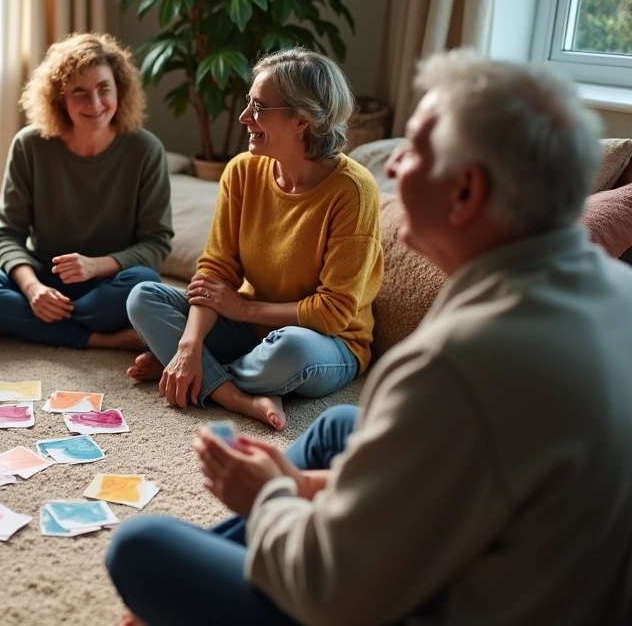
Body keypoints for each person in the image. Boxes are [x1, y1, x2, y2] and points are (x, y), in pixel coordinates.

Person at [105, 50, 632, 625]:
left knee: (140, 548)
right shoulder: (614, 291)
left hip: (416, 603)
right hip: (518, 557)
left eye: (416, 150)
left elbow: (333, 594)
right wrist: (303, 482)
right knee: (337, 427)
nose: (397, 166)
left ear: (467, 192)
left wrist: (269, 498)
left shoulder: (448, 367)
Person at [125, 47, 382, 431]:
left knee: (290, 350)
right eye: (249, 102)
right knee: (143, 296)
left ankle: (201, 376)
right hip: (248, 334)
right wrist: (188, 346)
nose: (245, 117)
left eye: (259, 107)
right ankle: (235, 396)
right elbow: (216, 271)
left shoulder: (354, 191)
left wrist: (243, 311)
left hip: (326, 344)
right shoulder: (242, 170)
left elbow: (332, 313)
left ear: (302, 120)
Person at [0, 32, 173, 350]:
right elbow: (7, 234)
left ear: (120, 90)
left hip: (107, 284)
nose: (95, 104)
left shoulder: (145, 149)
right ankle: (100, 339)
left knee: (144, 283)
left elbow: (156, 243)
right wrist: (32, 289)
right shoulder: (29, 145)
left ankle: (15, 325)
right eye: (79, 93)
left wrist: (95, 265)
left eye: (104, 89)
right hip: (45, 278)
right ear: (60, 98)